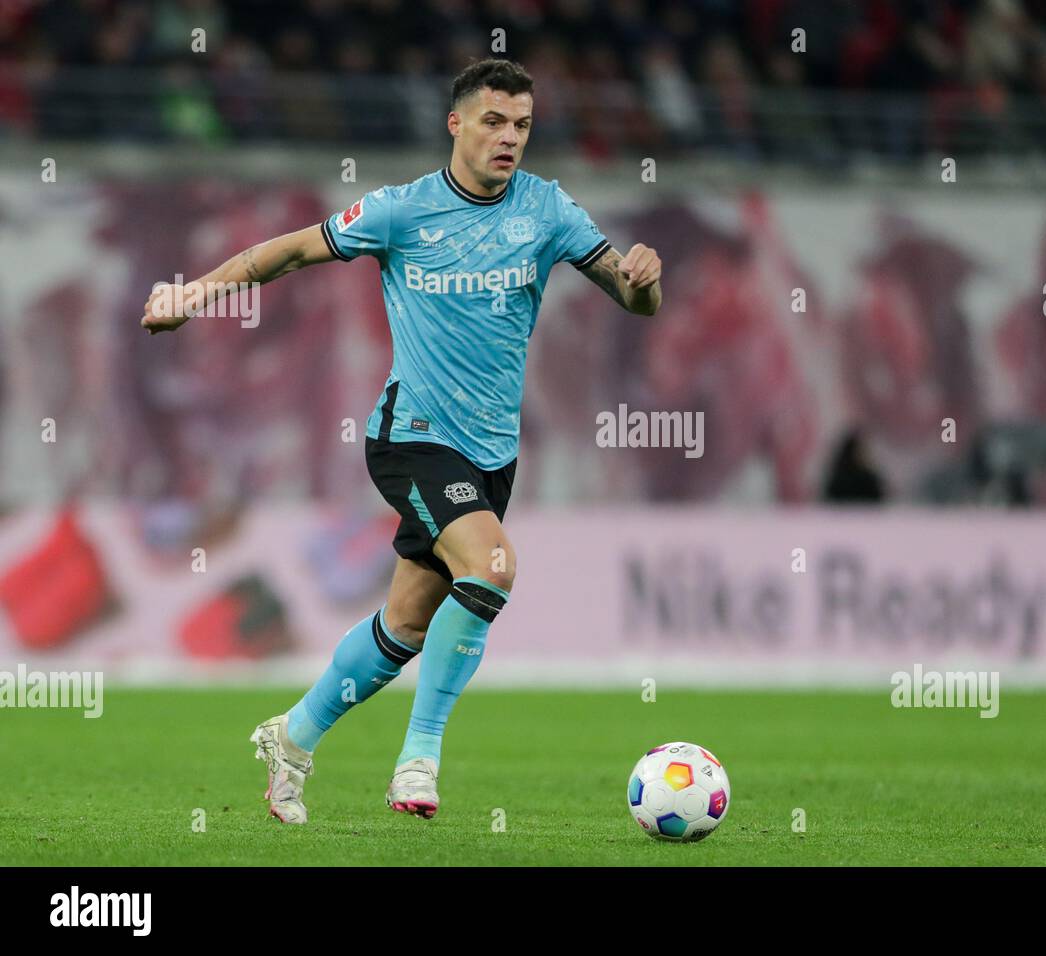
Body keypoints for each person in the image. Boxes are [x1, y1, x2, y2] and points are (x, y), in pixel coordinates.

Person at [140, 58, 663, 824]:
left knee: (408, 626)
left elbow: (631, 295)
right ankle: (419, 761)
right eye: (493, 121)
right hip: (410, 437)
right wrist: (194, 294)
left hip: (491, 454)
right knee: (491, 567)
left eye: (521, 124)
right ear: (455, 123)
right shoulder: (400, 212)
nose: (508, 138)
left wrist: (645, 279)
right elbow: (284, 252)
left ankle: (292, 736)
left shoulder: (547, 210)